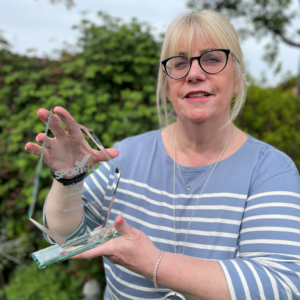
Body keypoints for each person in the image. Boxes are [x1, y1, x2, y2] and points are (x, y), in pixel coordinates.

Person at [25, 10, 300, 300]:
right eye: (179, 63)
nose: (194, 74)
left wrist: (153, 263)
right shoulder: (127, 156)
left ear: (237, 78)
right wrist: (69, 179)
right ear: (167, 86)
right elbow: (68, 238)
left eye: (212, 59)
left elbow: (283, 285)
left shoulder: (270, 171)